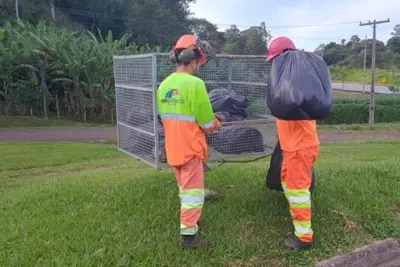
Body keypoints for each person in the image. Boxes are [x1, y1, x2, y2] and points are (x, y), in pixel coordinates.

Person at [156, 34, 221, 249]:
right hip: (191, 148)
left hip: (173, 148)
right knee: (193, 192)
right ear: (192, 59)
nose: (198, 67)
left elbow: (170, 118)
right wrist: (215, 124)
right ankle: (189, 237)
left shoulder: (163, 86)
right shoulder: (195, 84)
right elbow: (206, 121)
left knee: (185, 189)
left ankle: (190, 218)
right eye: (198, 63)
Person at [266, 36, 320, 250]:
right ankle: (297, 218)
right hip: (293, 145)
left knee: (298, 191)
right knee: (289, 184)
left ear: (283, 56)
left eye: (274, 59)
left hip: (299, 146)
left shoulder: (295, 79)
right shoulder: (293, 78)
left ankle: (304, 237)